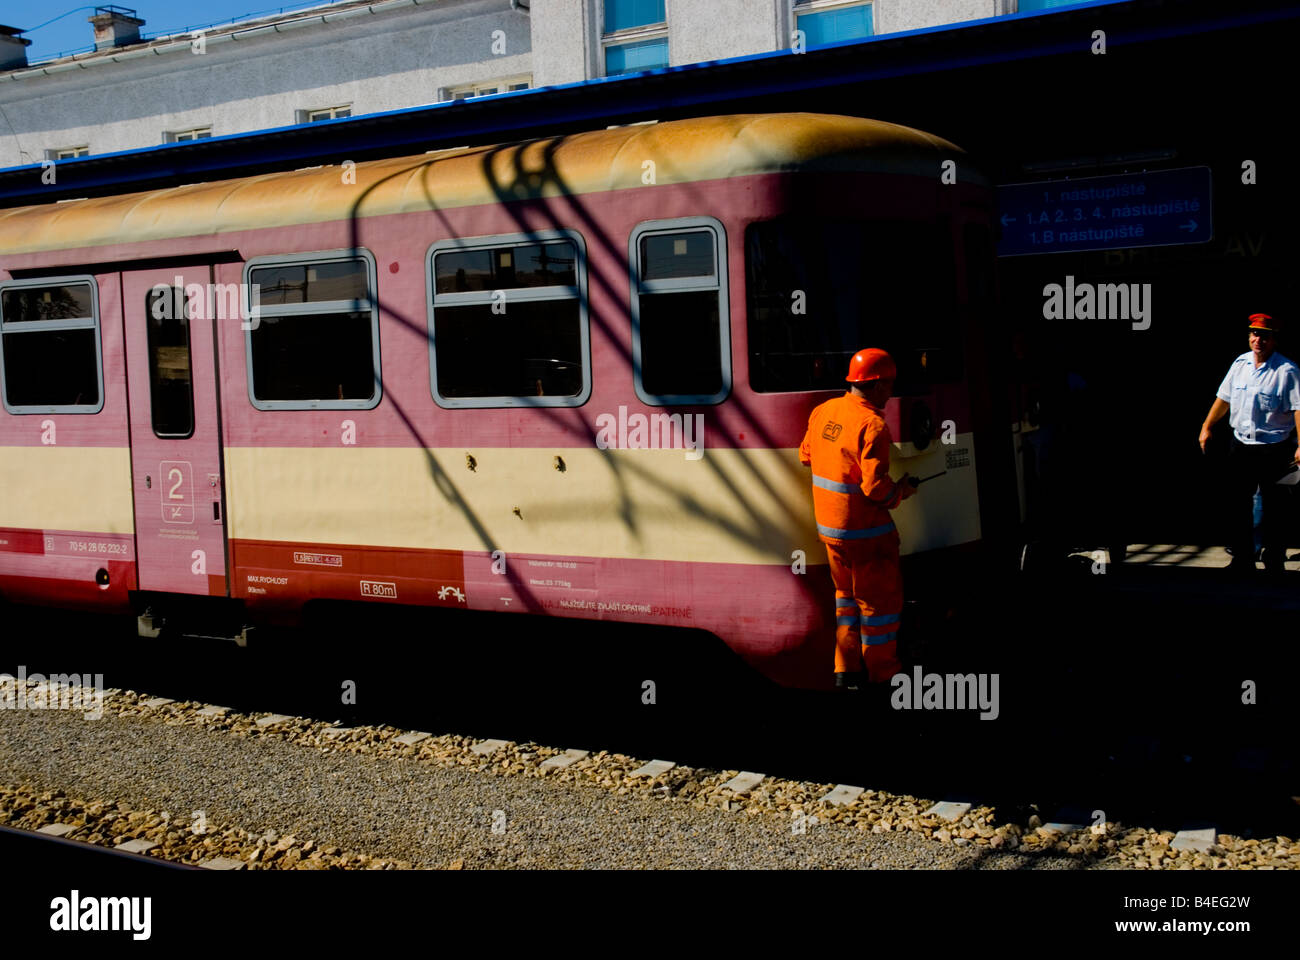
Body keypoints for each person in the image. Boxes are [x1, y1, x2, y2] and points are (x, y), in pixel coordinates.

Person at [799, 348, 917, 690]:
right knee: (879, 609)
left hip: (831, 532)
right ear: (878, 385)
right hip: (868, 535)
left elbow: (806, 455)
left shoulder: (824, 411)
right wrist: (901, 492)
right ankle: (885, 677)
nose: (891, 391)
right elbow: (875, 488)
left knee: (845, 602)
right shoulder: (873, 425)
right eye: (890, 384)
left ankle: (845, 672)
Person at [1199, 313, 1300, 574]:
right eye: (1254, 334)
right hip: (1241, 446)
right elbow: (1224, 398)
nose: (1258, 340)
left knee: (1275, 507)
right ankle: (1243, 557)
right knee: (1238, 504)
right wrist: (1207, 426)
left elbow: (1298, 409)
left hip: (1274, 447)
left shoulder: (1287, 371)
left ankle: (1274, 557)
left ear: (1274, 341)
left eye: (1264, 336)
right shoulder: (1240, 364)